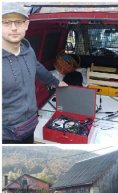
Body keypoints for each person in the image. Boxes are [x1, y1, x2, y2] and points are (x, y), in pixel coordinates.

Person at [2, 2, 68, 144]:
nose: (13, 28)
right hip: (7, 136)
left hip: (30, 125)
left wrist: (56, 82)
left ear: (26, 24)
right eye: (6, 22)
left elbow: (38, 67)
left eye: (18, 22)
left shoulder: (28, 50)